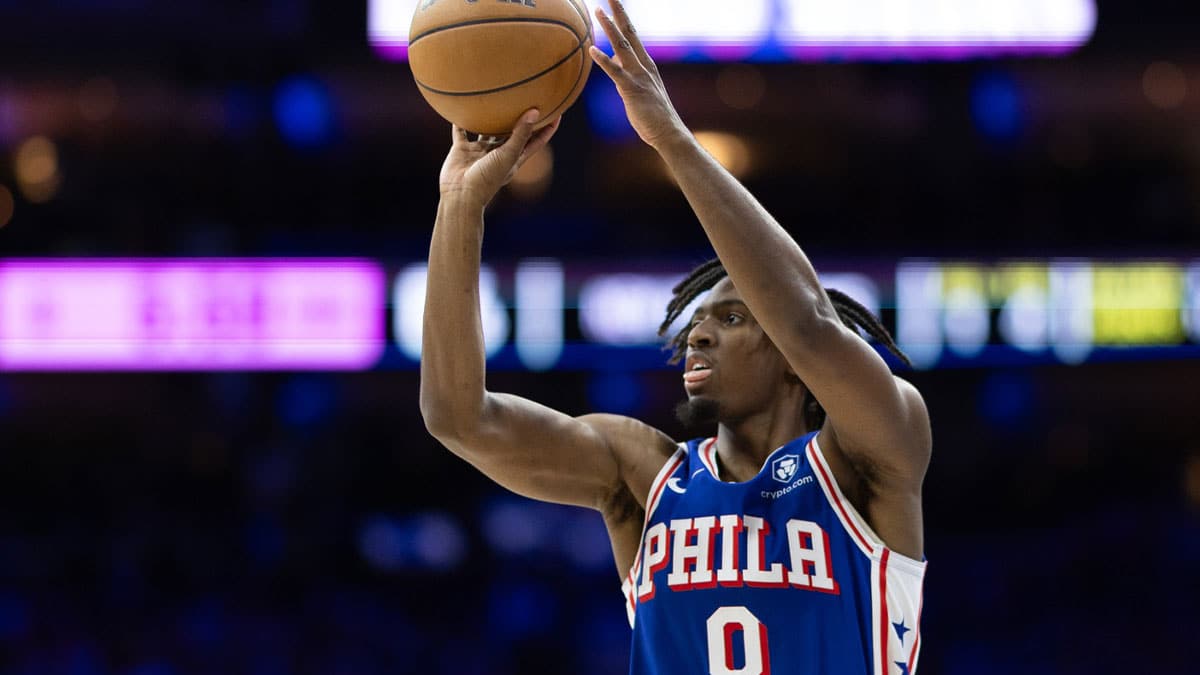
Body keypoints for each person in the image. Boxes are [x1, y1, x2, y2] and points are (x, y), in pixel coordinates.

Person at [420, 1, 932, 673]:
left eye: (730, 317)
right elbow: (459, 417)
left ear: (789, 362)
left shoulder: (869, 459)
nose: (699, 334)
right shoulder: (644, 475)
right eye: (696, 320)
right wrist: (459, 206)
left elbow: (807, 322)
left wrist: (671, 140)